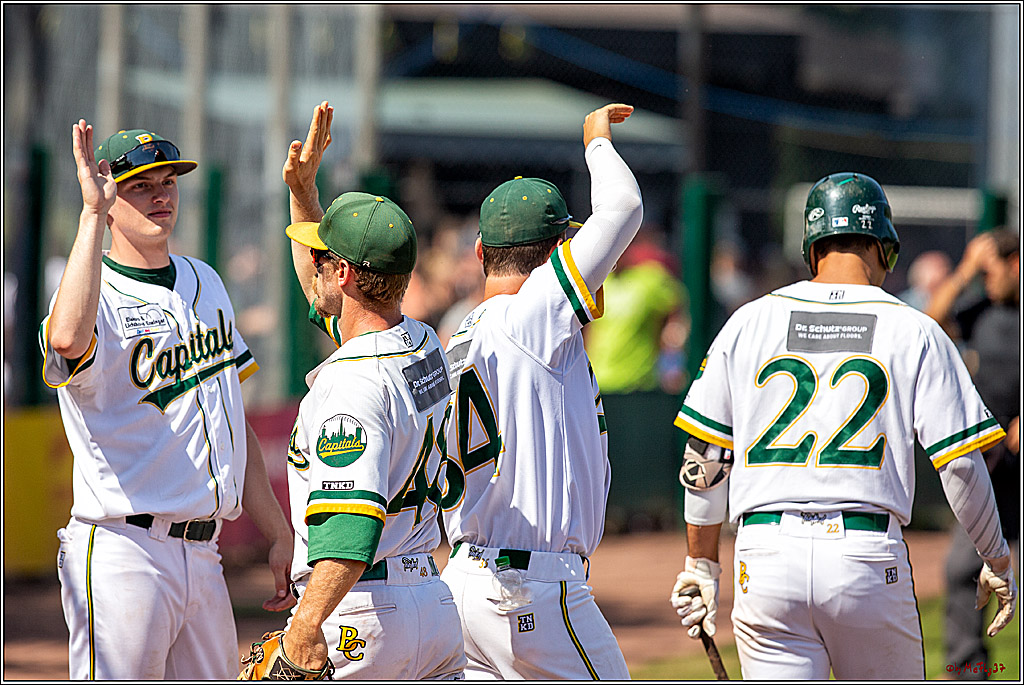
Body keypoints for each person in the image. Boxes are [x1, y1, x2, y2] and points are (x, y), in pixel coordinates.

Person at [668, 172, 1017, 679]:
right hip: (865, 557)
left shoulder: (747, 321)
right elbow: (961, 465)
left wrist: (701, 566)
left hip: (764, 558)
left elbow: (705, 458)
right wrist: (996, 558)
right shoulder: (913, 327)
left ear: (812, 248)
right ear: (884, 247)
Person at [43, 121, 295, 679]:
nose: (161, 195)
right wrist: (90, 214)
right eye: (140, 186)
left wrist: (279, 532)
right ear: (109, 199)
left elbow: (233, 425)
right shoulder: (92, 295)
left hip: (204, 554)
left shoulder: (206, 281)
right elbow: (65, 340)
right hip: (125, 550)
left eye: (168, 181)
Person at [436, 103, 643, 679]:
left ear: (480, 252)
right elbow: (623, 207)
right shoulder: (535, 315)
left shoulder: (462, 330)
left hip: (466, 583)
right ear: (557, 254)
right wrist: (597, 140)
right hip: (529, 589)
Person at [275, 101, 465, 680]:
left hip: (363, 614)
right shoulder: (422, 341)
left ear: (346, 274)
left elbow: (351, 529)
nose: (313, 264)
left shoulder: (349, 384)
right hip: (432, 605)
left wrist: (305, 626)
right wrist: (304, 193)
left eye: (323, 257)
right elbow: (325, 295)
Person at [925, 229, 1020, 679]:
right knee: (962, 569)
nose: (986, 280)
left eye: (991, 271)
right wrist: (965, 270)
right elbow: (931, 321)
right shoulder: (981, 309)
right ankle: (967, 671)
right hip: (993, 463)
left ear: (1016, 264)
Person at [584, 228, 687, 393]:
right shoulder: (597, 284)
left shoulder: (651, 279)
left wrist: (672, 360)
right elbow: (588, 331)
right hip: (599, 384)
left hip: (639, 386)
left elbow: (677, 313)